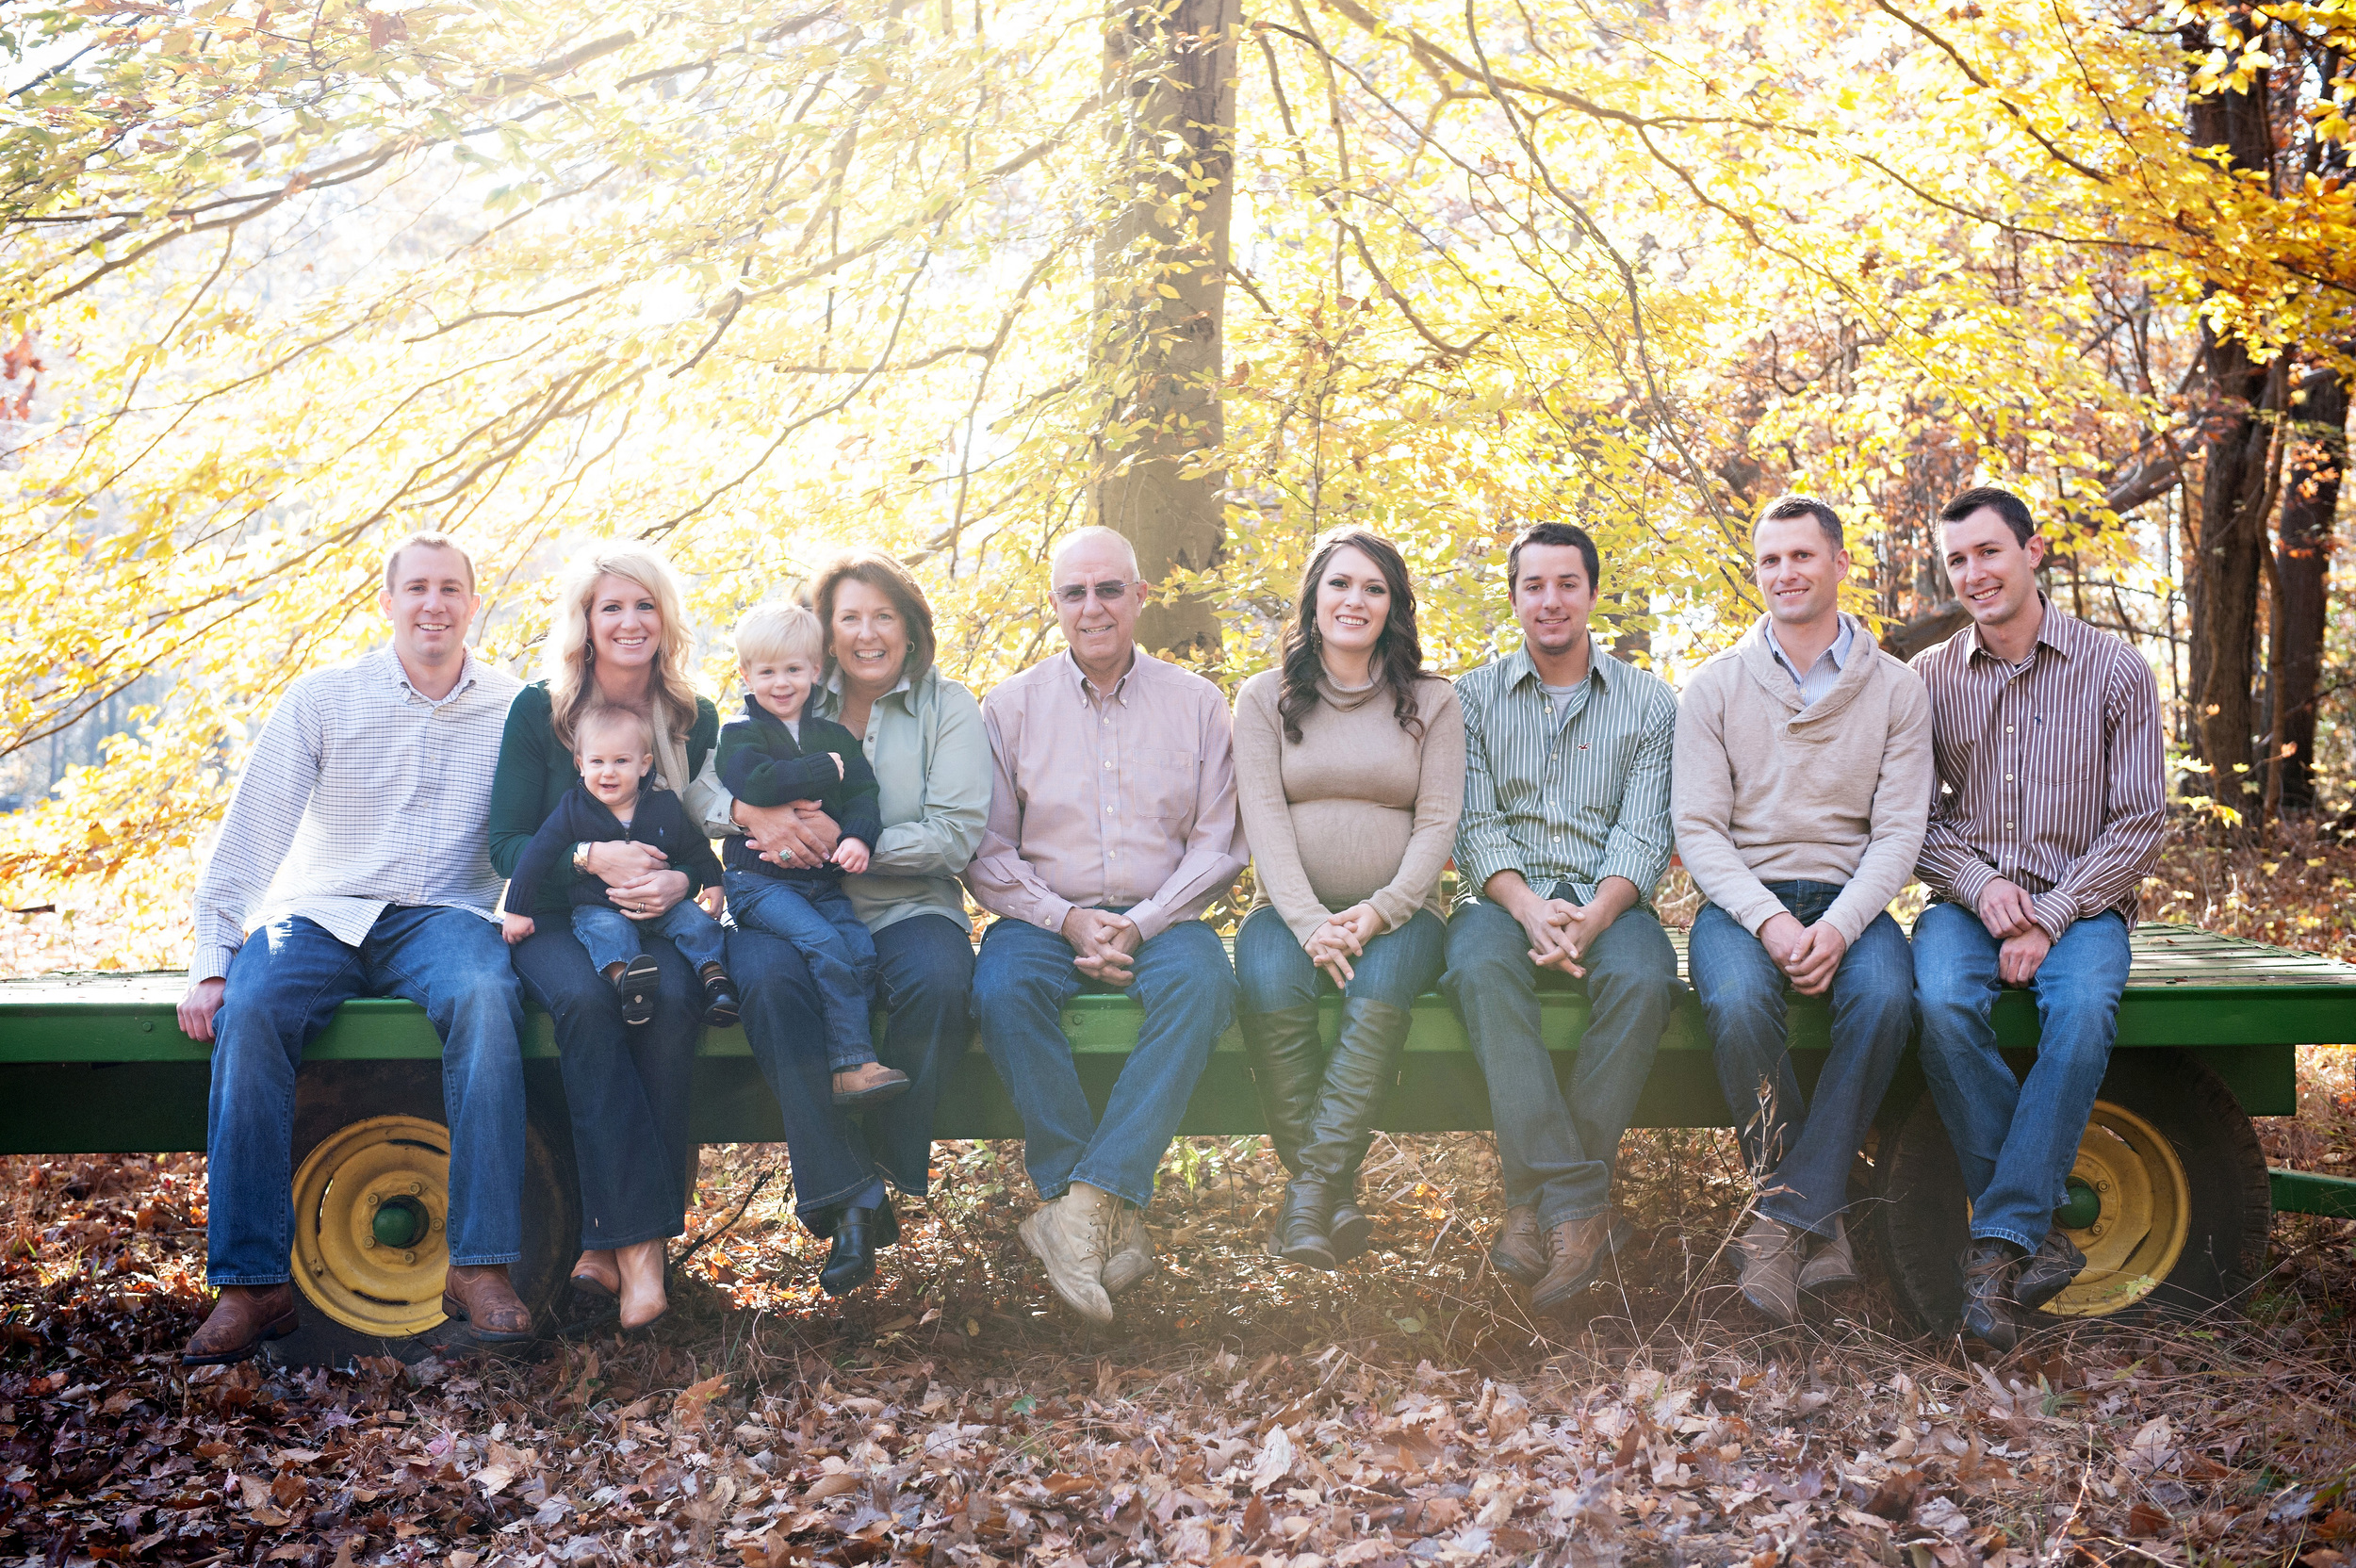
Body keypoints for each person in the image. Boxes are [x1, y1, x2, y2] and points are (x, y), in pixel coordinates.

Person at [176, 531, 531, 1364]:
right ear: (389, 602)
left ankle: (479, 1266)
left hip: (443, 917)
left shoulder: (518, 707)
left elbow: (552, 827)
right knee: (254, 1009)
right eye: (416, 588)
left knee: (488, 998)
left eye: (451, 588)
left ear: (474, 604)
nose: (434, 604)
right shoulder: (323, 699)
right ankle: (251, 1284)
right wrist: (211, 960)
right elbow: (250, 836)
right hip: (323, 913)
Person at [967, 526, 1247, 1325]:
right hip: (1043, 919)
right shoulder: (1010, 706)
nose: (1093, 608)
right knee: (1003, 988)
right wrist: (1068, 920)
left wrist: (1144, 922)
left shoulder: (1196, 704)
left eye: (1109, 590)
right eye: (1074, 593)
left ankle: (1082, 1208)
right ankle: (1086, 1206)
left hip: (1164, 919)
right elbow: (986, 850)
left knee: (1204, 987)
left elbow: (1218, 842)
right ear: (1055, 604)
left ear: (1141, 597)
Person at [694, 548, 990, 1296]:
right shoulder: (789, 689)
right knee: (766, 982)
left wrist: (851, 845)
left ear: (909, 625)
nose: (866, 634)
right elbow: (702, 795)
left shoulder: (945, 705)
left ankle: (876, 1168)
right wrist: (747, 812)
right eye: (848, 618)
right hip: (786, 908)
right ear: (824, 633)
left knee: (939, 976)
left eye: (882, 616)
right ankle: (849, 1194)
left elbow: (955, 833)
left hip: (902, 900)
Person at [1910, 485, 2166, 1350]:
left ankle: (1999, 1240)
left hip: (2083, 903)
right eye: (1957, 561)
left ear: (2034, 551)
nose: (1974, 574)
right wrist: (1982, 889)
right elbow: (1913, 820)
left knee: (2084, 1010)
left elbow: (2139, 823)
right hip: (1965, 902)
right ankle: (2037, 1228)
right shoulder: (1932, 678)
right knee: (1940, 1004)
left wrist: (2050, 915)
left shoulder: (2115, 669)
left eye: (1989, 552)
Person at [1672, 495, 1932, 1325]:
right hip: (1743, 905)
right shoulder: (1712, 688)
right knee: (1740, 1000)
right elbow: (1700, 832)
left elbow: (1899, 832)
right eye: (1770, 561)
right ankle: (1819, 1218)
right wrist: (1773, 923)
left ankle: (1784, 1218)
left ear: (1840, 565)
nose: (1784, 574)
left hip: (1851, 901)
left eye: (1801, 557)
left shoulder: (1897, 689)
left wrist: (1840, 925)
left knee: (1890, 999)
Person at [1442, 520, 1680, 1316]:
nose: (1551, 601)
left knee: (1647, 977)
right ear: (1513, 597)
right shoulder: (1468, 699)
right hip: (1503, 899)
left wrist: (1594, 915)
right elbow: (1473, 824)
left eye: (1566, 584)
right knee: (1476, 966)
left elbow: (1645, 829)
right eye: (1534, 585)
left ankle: (1529, 1206)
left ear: (1592, 593)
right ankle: (1577, 1201)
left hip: (1609, 901)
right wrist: (1529, 908)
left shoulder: (1649, 703)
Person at [487, 543, 720, 1331]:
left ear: (666, 619)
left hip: (655, 918)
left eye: (645, 605)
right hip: (555, 917)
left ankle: (604, 1237)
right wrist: (592, 853)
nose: (629, 621)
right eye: (610, 606)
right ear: (585, 622)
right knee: (588, 1005)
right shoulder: (539, 711)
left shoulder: (694, 717)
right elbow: (507, 844)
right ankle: (641, 1251)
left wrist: (680, 883)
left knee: (677, 997)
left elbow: (704, 841)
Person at [1232, 528, 1464, 1269]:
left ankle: (1308, 1198)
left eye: (1373, 587)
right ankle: (1328, 1198)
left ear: (1393, 606)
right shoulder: (1264, 699)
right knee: (1270, 986)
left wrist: (1379, 911)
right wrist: (1309, 923)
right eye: (1339, 584)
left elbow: (1437, 824)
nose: (1354, 600)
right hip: (1287, 915)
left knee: (1378, 997)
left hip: (1402, 919)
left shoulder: (1432, 700)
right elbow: (1263, 820)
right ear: (1313, 599)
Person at [715, 601, 902, 1106]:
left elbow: (864, 792)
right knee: (824, 945)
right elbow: (752, 783)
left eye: (794, 670)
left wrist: (856, 837)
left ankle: (848, 1057)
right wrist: (823, 770)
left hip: (822, 882)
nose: (781, 683)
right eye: (768, 671)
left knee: (860, 950)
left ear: (815, 671)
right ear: (746, 674)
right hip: (759, 884)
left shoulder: (834, 736)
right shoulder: (740, 734)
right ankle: (852, 1064)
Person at [499, 704, 736, 1027]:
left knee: (696, 923)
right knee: (607, 932)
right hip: (600, 906)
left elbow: (695, 847)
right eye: (597, 761)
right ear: (581, 765)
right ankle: (627, 984)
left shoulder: (664, 805)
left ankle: (716, 981)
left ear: (644, 765)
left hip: (662, 907)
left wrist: (712, 881)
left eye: (621, 761)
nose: (608, 772)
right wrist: (516, 910)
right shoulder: (573, 809)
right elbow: (535, 855)